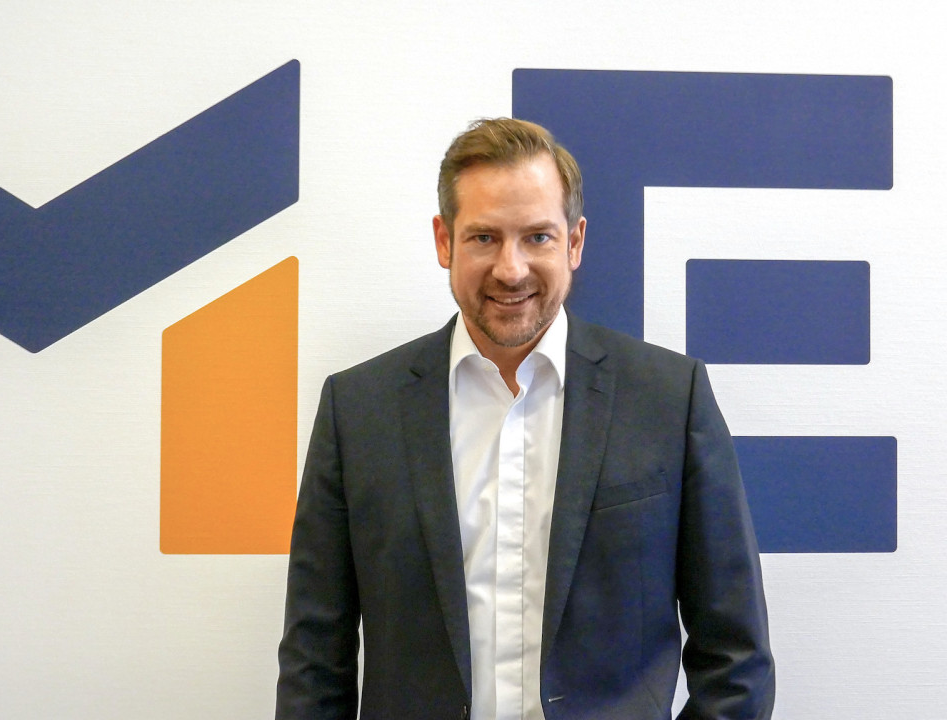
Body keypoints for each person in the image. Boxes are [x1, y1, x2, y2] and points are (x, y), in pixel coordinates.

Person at [276, 117, 775, 720]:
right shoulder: (358, 411)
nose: (510, 269)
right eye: (484, 237)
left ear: (575, 242)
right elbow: (314, 660)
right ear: (444, 241)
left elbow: (736, 658)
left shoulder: (669, 398)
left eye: (537, 237)